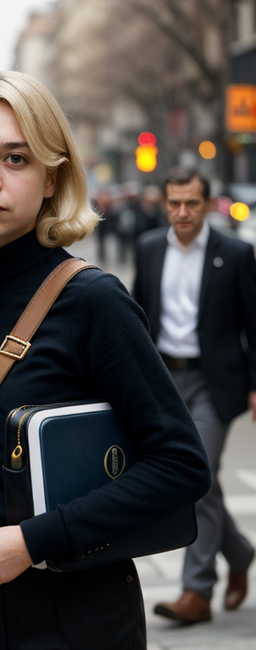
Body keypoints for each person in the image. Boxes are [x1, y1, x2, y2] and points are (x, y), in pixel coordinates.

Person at [0, 72, 210, 650]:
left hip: (76, 615)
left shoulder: (93, 302)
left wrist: (34, 541)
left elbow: (181, 465)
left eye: (15, 158)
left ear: (51, 177)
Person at [133, 167, 256, 624]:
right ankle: (240, 554)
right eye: (174, 203)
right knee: (192, 477)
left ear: (207, 204)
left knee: (196, 475)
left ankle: (196, 591)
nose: (182, 212)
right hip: (163, 379)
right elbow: (138, 317)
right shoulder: (147, 248)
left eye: (191, 203)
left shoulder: (236, 253)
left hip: (214, 381)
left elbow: (254, 324)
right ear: (165, 204)